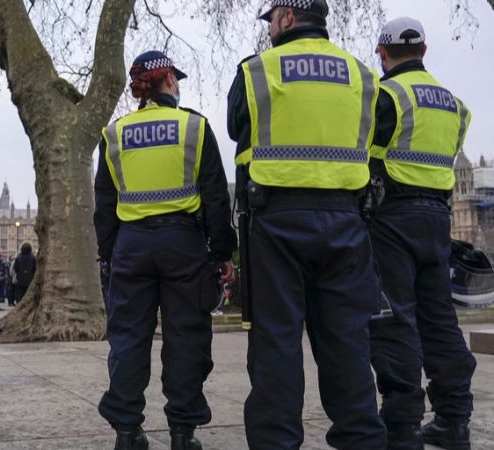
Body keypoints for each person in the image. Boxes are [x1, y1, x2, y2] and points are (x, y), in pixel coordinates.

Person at [227, 1, 386, 448]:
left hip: (276, 220)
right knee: (348, 345)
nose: (270, 28)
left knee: (276, 346)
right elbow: (381, 132)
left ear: (288, 18)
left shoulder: (258, 70)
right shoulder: (362, 75)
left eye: (272, 19)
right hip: (347, 221)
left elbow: (237, 124)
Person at [94, 49, 236, 450]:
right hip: (183, 245)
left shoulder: (115, 134)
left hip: (131, 244)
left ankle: (127, 431)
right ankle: (182, 433)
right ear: (170, 79)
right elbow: (214, 197)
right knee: (187, 338)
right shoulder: (193, 127)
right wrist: (222, 253)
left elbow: (104, 204)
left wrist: (109, 255)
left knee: (128, 339)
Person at [367, 17, 475, 450]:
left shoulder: (385, 96)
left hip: (391, 217)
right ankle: (454, 419)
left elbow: (365, 156)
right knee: (440, 321)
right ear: (425, 51)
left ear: (382, 53)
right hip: (438, 219)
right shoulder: (455, 105)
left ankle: (403, 426)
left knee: (395, 321)